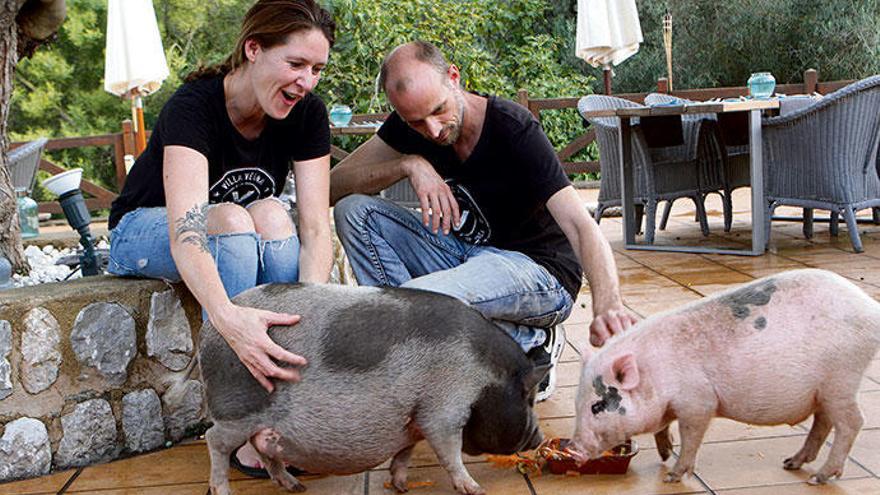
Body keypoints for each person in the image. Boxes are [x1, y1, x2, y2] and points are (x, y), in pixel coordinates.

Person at [330, 41, 637, 401]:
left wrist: (608, 304)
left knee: (423, 301)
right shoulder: (410, 128)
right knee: (354, 211)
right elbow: (333, 186)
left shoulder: (514, 129)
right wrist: (408, 164)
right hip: (467, 252)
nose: (432, 130)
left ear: (454, 78)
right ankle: (419, 352)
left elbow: (580, 226)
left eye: (439, 111)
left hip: (538, 271)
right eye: (416, 122)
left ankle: (533, 342)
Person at [107, 0, 335, 477]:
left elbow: (315, 229)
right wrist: (230, 322)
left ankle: (285, 408)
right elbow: (187, 233)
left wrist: (308, 323)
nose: (306, 81)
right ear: (253, 49)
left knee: (273, 214)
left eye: (316, 69)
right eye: (295, 64)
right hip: (141, 233)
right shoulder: (194, 106)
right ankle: (244, 418)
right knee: (231, 218)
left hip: (233, 233)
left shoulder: (307, 113)